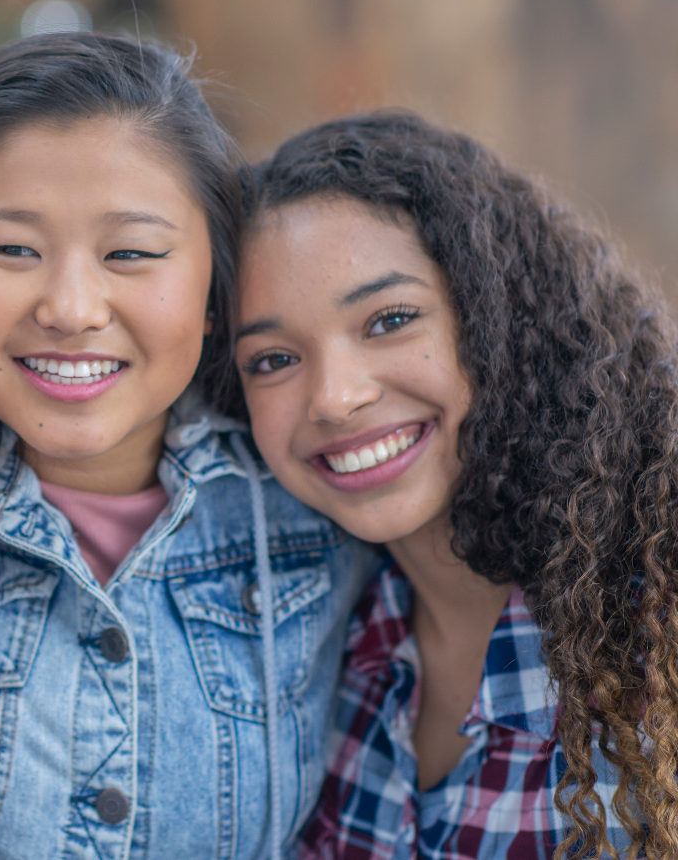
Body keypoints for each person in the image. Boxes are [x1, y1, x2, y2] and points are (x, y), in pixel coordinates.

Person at [0, 32, 383, 860]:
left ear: (214, 291)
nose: (70, 306)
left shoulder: (318, 503)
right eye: (11, 249)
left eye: (130, 253)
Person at [235, 110, 677, 858]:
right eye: (273, 359)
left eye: (390, 319)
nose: (335, 397)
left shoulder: (654, 632)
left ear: (501, 314)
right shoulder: (316, 648)